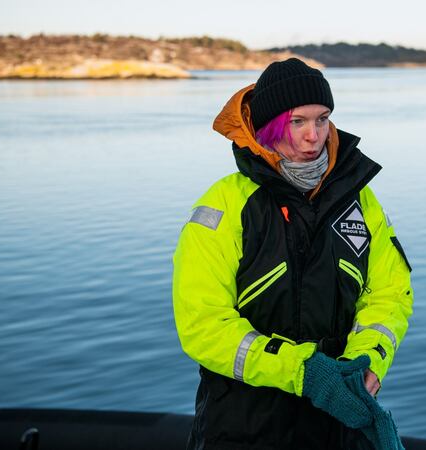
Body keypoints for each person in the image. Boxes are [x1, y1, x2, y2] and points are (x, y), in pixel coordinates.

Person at [173, 57, 413, 449]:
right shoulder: (224, 206)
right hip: (245, 428)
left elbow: (390, 292)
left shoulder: (359, 200)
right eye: (297, 121)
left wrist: (367, 357)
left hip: (339, 422)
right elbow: (202, 325)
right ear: (269, 127)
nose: (313, 136)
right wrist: (302, 370)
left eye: (322, 119)